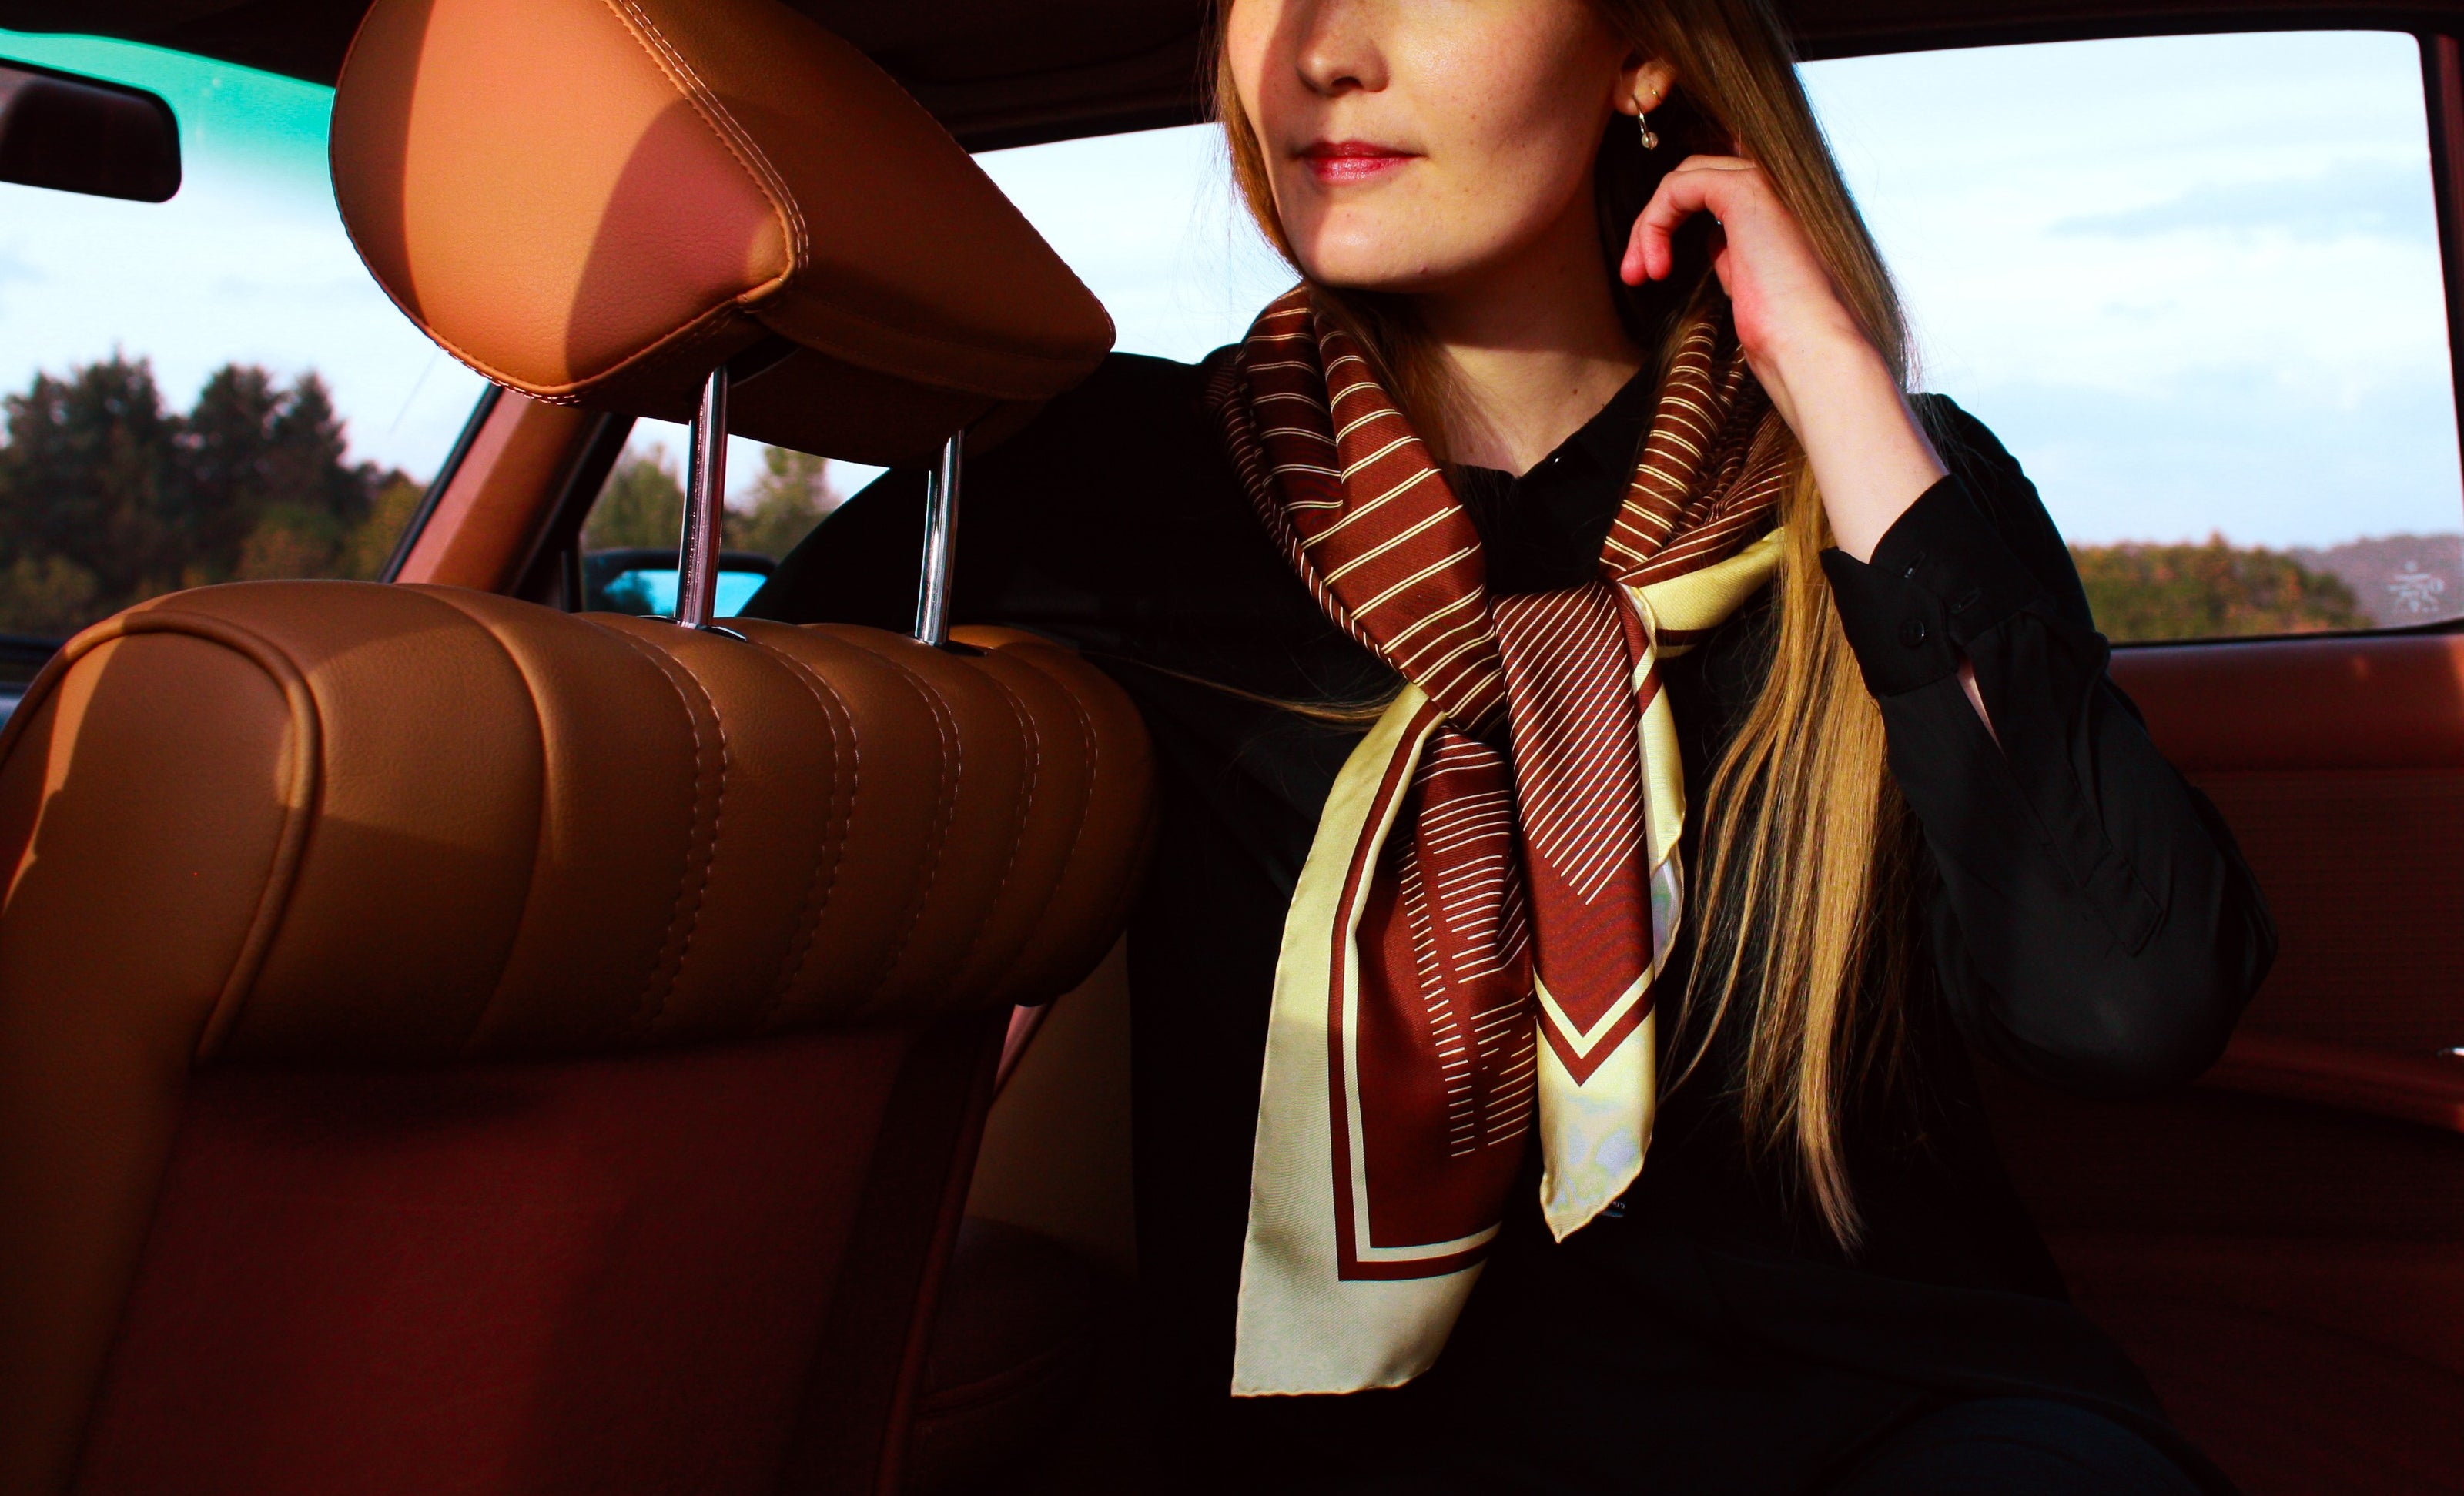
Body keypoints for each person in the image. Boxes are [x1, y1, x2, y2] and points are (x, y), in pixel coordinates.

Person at [748, 0, 2275, 1490]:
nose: (1320, 49)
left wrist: (1828, 370)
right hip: (1360, 1446)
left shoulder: (1874, 485)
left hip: (1905, 1418)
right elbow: (710, 810)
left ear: (1641, 55)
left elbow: (2118, 1002)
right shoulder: (1092, 491)